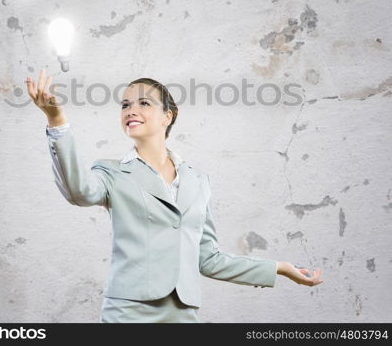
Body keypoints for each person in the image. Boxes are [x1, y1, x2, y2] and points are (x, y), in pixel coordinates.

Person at [26, 69, 324, 323]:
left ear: (167, 116)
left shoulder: (198, 181)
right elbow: (78, 192)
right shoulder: (111, 172)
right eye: (125, 104)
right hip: (128, 313)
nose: (131, 110)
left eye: (144, 103)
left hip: (183, 314)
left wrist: (278, 268)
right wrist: (57, 120)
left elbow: (208, 259)